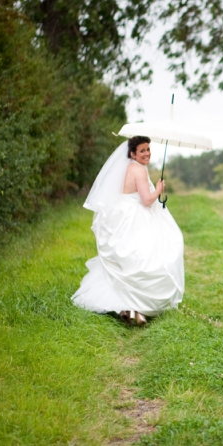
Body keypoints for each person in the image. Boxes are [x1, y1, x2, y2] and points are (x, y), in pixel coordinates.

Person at [71, 136, 184, 325]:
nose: (147, 153)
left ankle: (128, 308)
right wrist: (158, 189)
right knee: (145, 257)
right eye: (142, 151)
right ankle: (135, 307)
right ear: (132, 153)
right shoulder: (139, 170)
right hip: (134, 216)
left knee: (127, 260)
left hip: (122, 213)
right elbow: (146, 200)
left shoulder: (129, 167)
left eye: (148, 149)